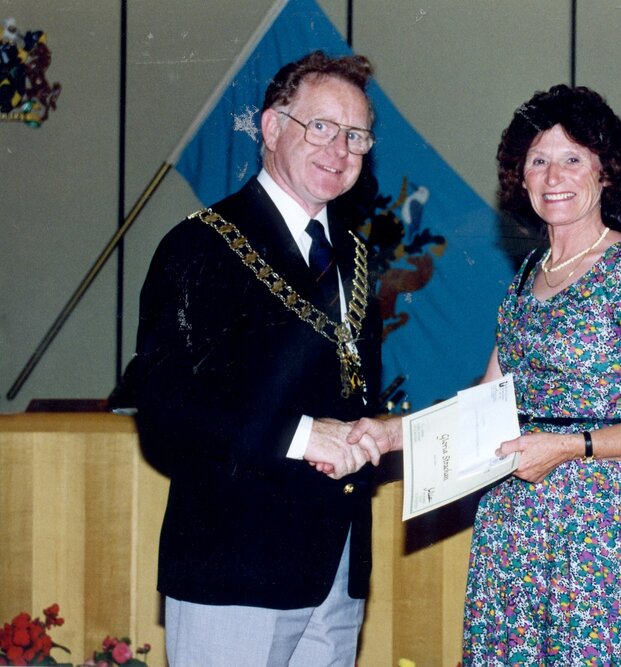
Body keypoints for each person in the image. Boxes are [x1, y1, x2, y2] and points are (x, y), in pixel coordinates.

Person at [347, 85, 621, 665]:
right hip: (520, 533)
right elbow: (486, 399)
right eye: (538, 160)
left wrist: (572, 447)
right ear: (519, 178)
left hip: (615, 538)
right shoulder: (527, 274)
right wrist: (392, 433)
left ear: (606, 173)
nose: (554, 175)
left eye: (573, 158)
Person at [118, 52, 384, 666]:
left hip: (337, 567)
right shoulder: (200, 244)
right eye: (320, 127)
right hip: (234, 563)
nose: (339, 149)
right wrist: (301, 437)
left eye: (356, 136)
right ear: (270, 128)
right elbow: (164, 407)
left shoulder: (357, 258)